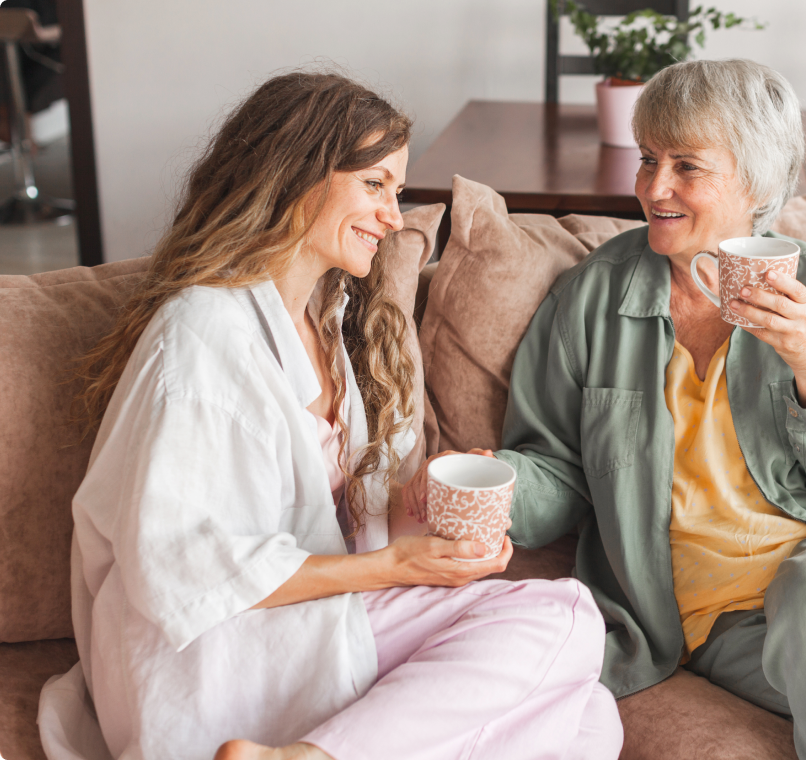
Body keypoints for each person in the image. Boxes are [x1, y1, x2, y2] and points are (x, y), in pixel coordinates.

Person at [406, 59, 806, 759]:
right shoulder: (591, 299)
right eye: (648, 160)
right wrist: (500, 484)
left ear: (755, 183)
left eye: (687, 166)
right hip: (711, 625)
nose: (654, 188)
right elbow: (560, 472)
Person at [38, 71, 622, 760]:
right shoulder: (201, 333)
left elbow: (348, 530)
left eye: (397, 192)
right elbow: (177, 566)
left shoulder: (328, 322)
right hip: (211, 652)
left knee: (590, 716)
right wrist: (395, 570)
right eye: (374, 184)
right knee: (567, 618)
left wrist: (420, 502)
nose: (393, 215)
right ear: (295, 176)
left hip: (310, 627)